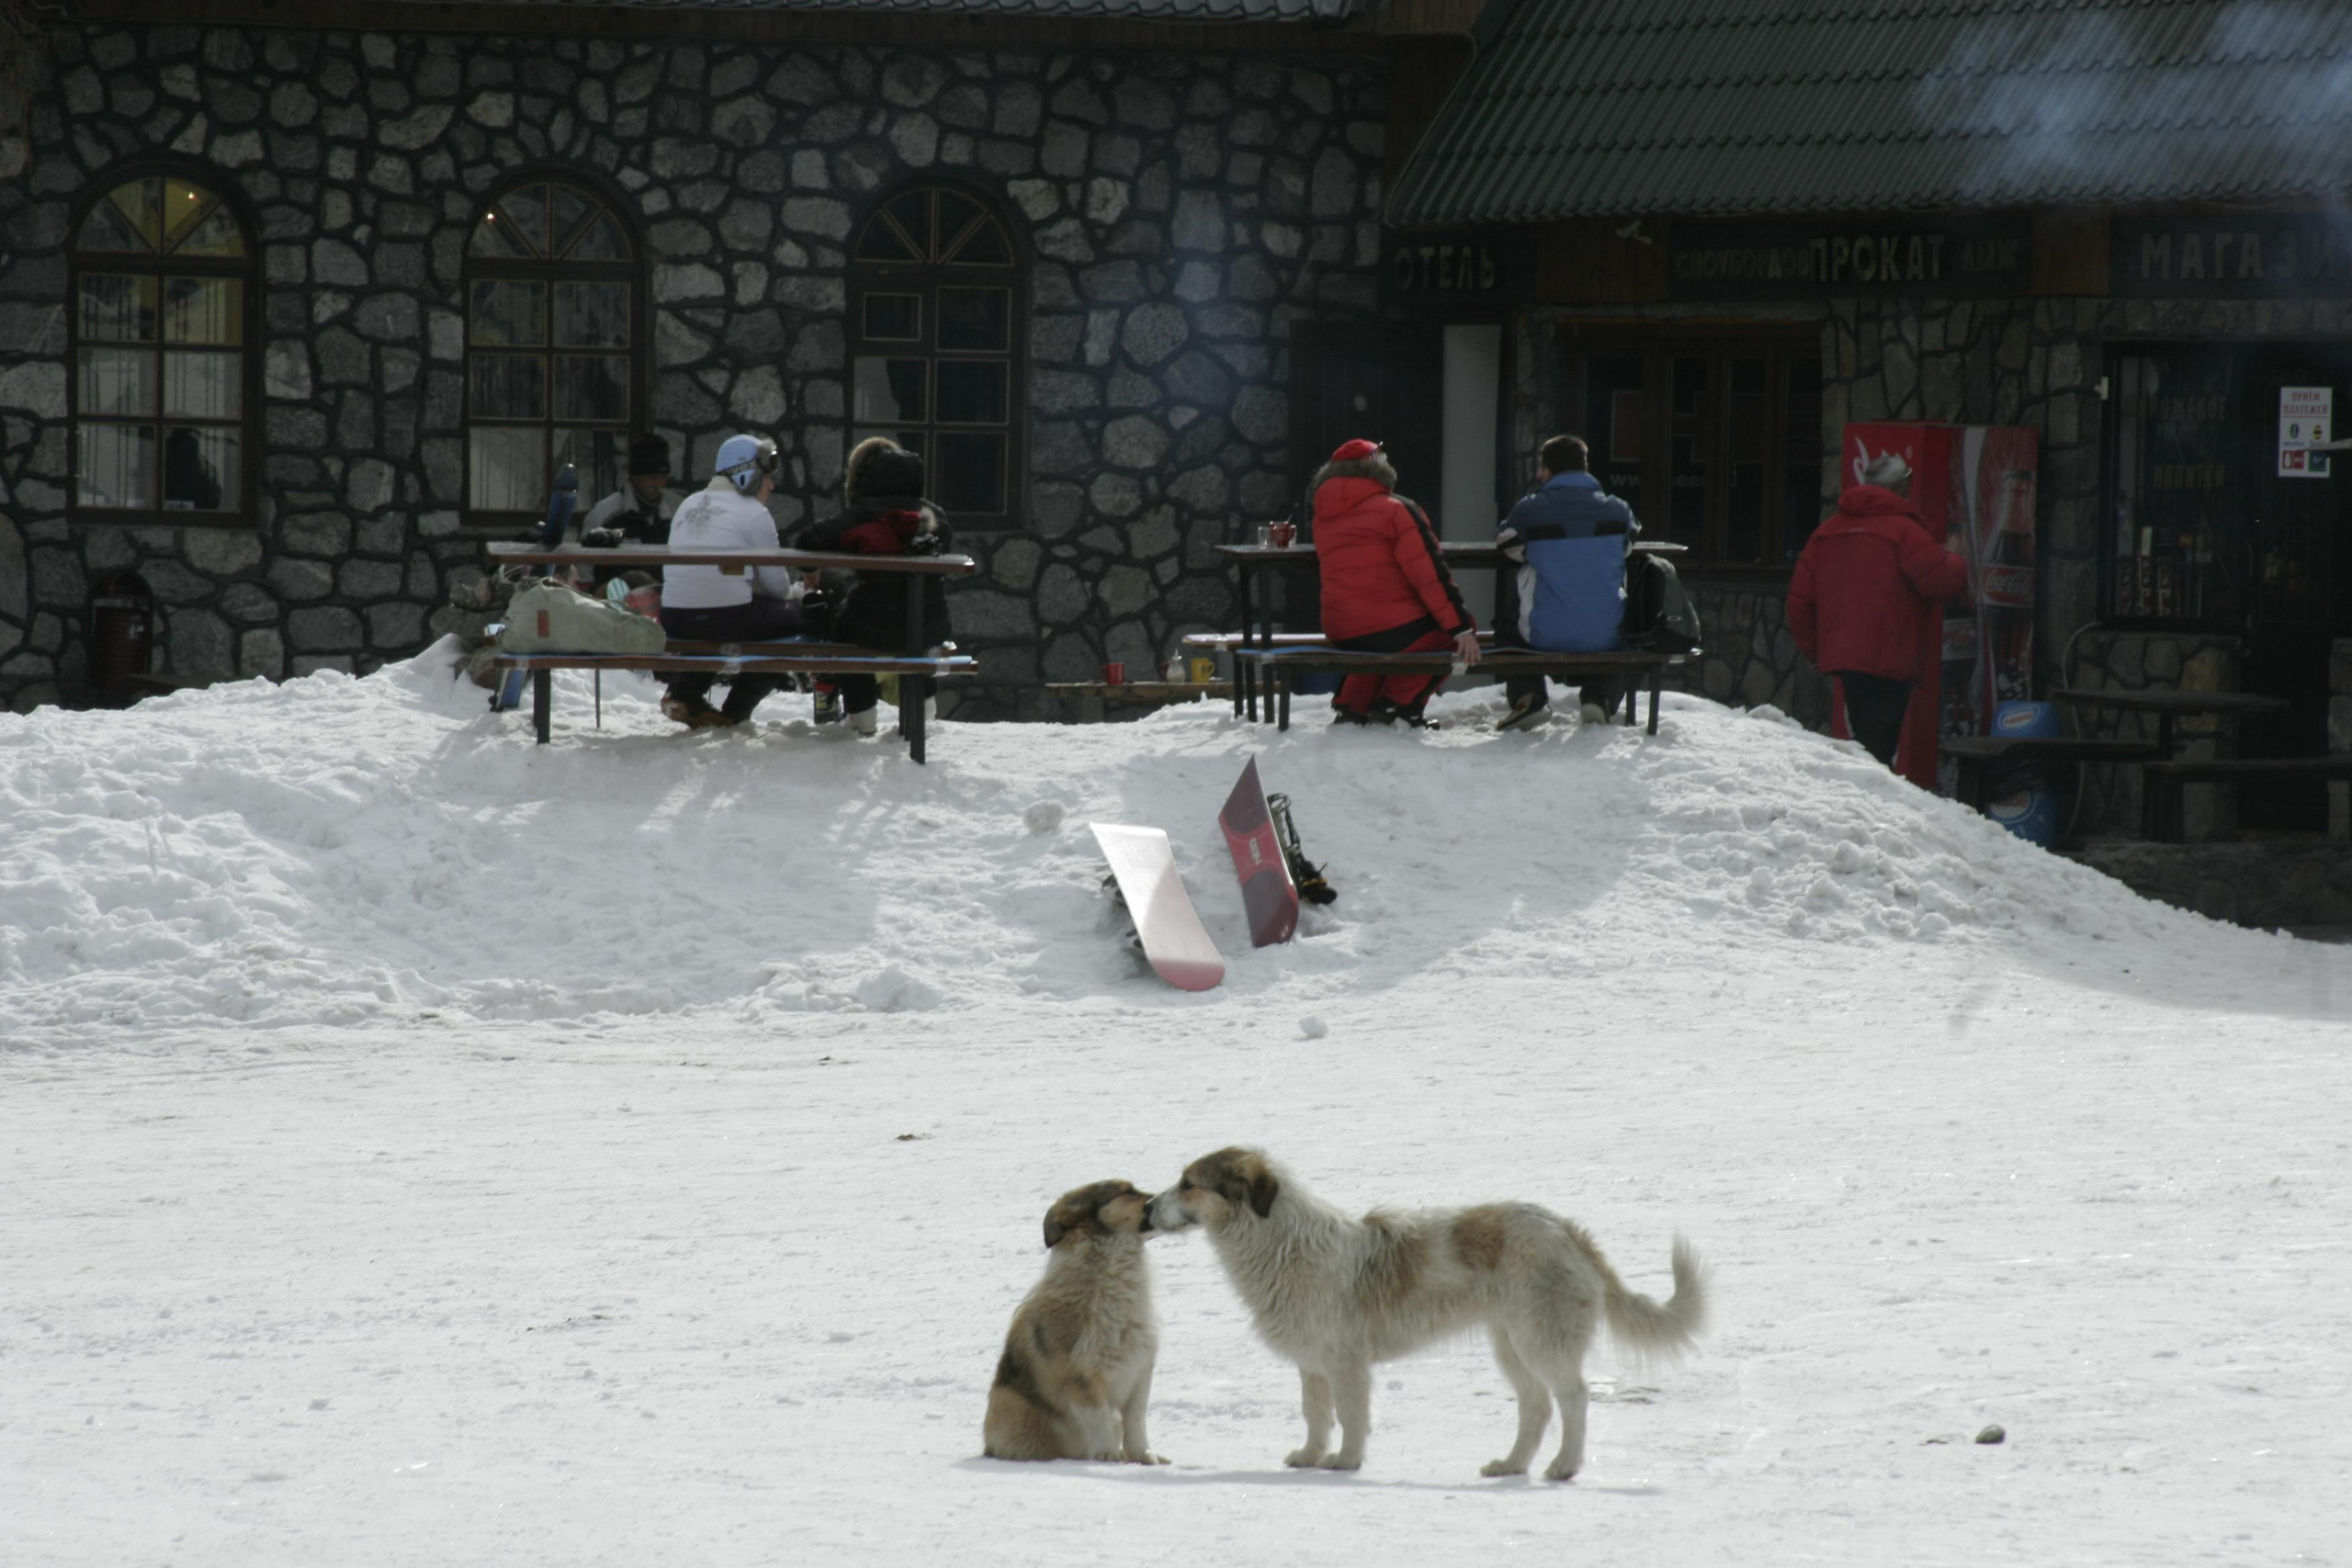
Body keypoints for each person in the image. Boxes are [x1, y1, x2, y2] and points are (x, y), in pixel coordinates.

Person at [1785, 451, 1969, 770]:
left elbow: (1799, 603)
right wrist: (1955, 556)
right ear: (1899, 488)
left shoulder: (1827, 532)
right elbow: (1941, 580)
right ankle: (1873, 809)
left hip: (1846, 659)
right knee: (1880, 749)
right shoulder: (1904, 532)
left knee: (1863, 741)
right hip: (1890, 654)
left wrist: (1818, 653)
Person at [1309, 438, 1477, 728]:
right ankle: (1399, 706)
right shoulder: (1397, 509)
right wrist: (1461, 627)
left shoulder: (1323, 515)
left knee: (1381, 640)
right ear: (1373, 466)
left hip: (1341, 628)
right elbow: (1429, 575)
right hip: (1388, 627)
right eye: (1382, 456)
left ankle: (1353, 705)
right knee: (1448, 634)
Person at [793, 436, 954, 739]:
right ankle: (924, 710)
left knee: (841, 630)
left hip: (872, 625)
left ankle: (862, 714)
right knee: (914, 635)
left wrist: (811, 569)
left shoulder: (864, 512)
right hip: (931, 624)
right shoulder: (935, 515)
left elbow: (809, 539)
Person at [657, 433, 807, 730]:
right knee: (797, 618)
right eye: (766, 477)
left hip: (674, 617)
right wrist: (797, 595)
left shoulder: (688, 504)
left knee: (708, 619)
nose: (771, 485)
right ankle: (736, 712)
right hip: (729, 618)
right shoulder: (754, 512)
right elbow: (778, 587)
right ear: (747, 475)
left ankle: (684, 694)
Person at [1492, 434, 1636, 732]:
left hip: (1542, 634)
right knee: (1624, 627)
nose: (1536, 475)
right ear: (1584, 467)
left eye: (1540, 468)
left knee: (1506, 624)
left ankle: (1528, 696)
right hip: (1604, 635)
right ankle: (1601, 696)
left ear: (1547, 470)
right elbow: (1627, 547)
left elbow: (1506, 544)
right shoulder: (1618, 509)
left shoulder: (1530, 509)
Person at [579, 433, 683, 546]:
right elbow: (582, 561)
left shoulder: (673, 517)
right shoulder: (603, 515)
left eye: (663, 478)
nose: (657, 484)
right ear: (634, 476)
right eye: (650, 478)